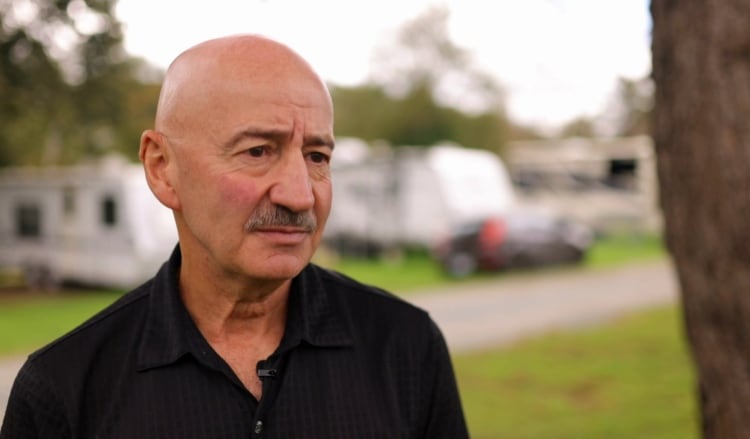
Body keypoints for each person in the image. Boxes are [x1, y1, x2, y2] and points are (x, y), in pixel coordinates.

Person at [0, 34, 469, 438]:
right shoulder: (65, 389)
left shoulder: (405, 347)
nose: (300, 195)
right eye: (258, 150)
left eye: (317, 157)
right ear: (162, 169)